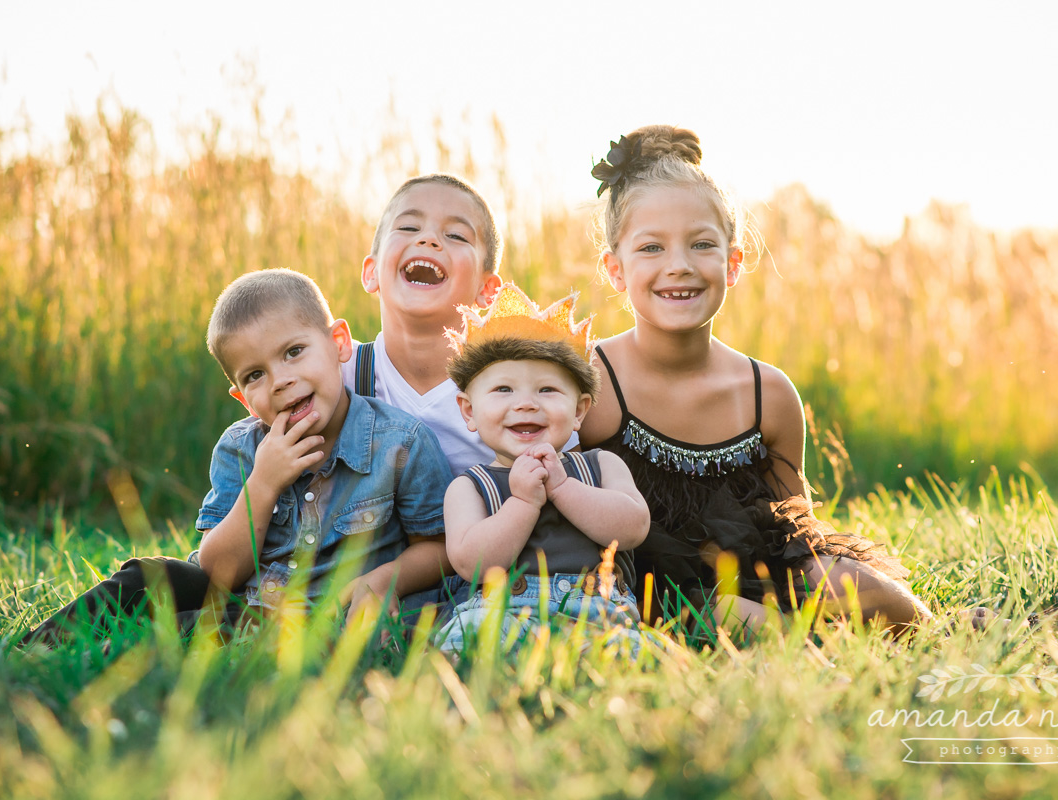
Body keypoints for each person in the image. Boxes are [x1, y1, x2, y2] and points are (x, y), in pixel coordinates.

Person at [579, 126, 931, 637]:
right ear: (615, 269)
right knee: (748, 623)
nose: (678, 266)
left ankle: (938, 628)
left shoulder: (767, 392)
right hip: (652, 582)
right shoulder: (592, 382)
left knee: (861, 586)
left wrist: (824, 578)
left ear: (733, 262)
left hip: (758, 564)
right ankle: (806, 643)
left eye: (701, 245)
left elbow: (795, 527)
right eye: (651, 248)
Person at [21, 269, 454, 646]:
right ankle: (31, 652)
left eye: (293, 352)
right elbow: (218, 571)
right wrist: (263, 484)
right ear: (243, 399)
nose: (281, 380)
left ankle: (137, 653)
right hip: (249, 600)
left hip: (330, 619)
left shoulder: (400, 443)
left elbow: (439, 548)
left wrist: (384, 581)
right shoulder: (240, 449)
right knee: (149, 577)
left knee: (210, 629)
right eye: (255, 375)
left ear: (339, 342)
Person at [433, 284, 650, 653]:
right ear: (469, 411)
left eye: (547, 390)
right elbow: (472, 564)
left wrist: (565, 489)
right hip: (501, 613)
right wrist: (522, 503)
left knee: (633, 651)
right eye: (503, 389)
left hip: (598, 614)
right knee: (466, 638)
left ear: (579, 410)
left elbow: (634, 528)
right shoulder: (470, 486)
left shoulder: (601, 465)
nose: (526, 404)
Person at [343, 173, 580, 476]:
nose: (428, 239)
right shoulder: (339, 376)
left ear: (488, 290)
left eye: (455, 235)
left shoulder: (524, 392)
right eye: (407, 227)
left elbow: (569, 488)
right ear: (371, 272)